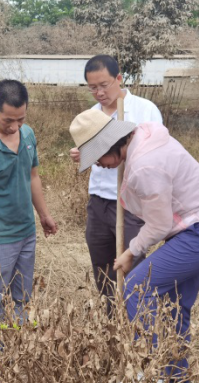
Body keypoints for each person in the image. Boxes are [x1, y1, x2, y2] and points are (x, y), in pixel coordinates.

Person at [69, 108, 199, 383]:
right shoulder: (142, 137)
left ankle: (149, 377)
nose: (101, 166)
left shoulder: (145, 164)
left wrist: (132, 251)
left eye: (99, 158)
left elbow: (159, 223)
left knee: (135, 289)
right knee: (174, 307)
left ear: (112, 145)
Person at [69, 55, 163, 315]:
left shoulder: (145, 109)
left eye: (104, 85)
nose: (99, 93)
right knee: (101, 262)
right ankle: (111, 314)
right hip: (99, 200)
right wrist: (84, 154)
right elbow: (94, 157)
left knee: (131, 262)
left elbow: (156, 154)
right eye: (92, 88)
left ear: (119, 79)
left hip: (131, 202)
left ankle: (134, 315)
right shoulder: (90, 116)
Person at [0, 80, 58, 325]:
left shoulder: (28, 134)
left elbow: (32, 176)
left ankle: (17, 354)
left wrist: (44, 215)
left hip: (26, 233)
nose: (15, 127)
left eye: (21, 119)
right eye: (9, 121)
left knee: (23, 298)